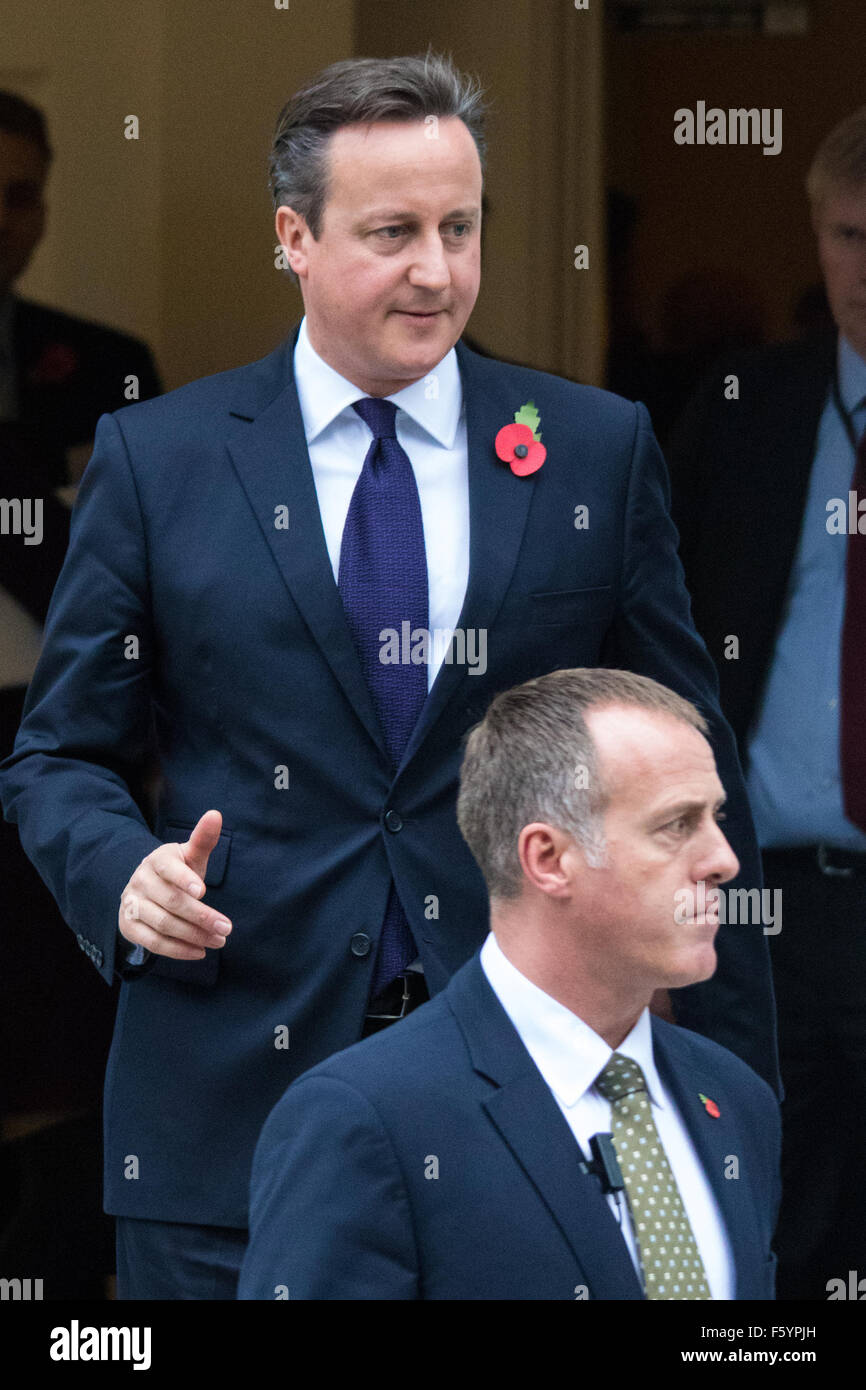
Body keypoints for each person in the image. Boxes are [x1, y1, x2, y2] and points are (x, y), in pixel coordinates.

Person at [0, 52, 776, 1302]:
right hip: (224, 1116)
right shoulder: (163, 462)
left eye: (459, 228)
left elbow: (697, 764)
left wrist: (738, 1097)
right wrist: (119, 873)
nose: (437, 269)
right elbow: (57, 752)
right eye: (392, 232)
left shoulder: (588, 449)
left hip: (535, 1114)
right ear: (292, 238)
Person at [238, 668, 781, 1301]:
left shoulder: (735, 1099)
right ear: (548, 859)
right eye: (675, 824)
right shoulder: (365, 1119)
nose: (724, 860)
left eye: (716, 817)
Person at [667, 107, 866, 1300]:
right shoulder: (744, 404)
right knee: (757, 1220)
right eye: (848, 235)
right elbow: (644, 628)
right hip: (759, 896)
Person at [0, 90, 161, 1298]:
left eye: (21, 194)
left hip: (53, 749)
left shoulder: (101, 370)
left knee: (59, 1070)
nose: (6, 221)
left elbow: (136, 593)